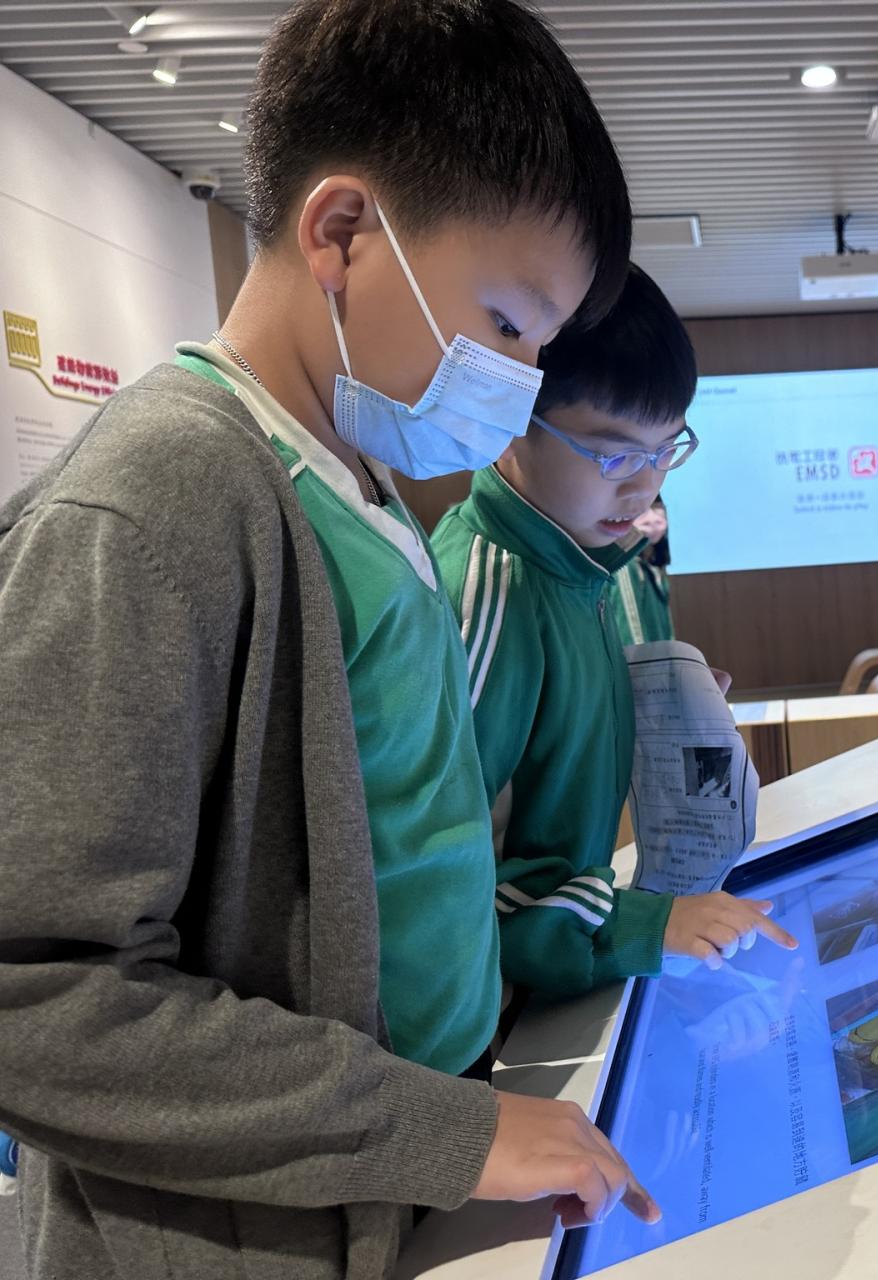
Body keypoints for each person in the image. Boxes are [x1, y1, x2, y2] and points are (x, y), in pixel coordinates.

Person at [0, 3, 658, 1277]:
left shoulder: (354, 479)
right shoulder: (154, 501)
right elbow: (32, 987)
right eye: (508, 321)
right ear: (344, 232)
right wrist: (432, 1130)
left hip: (393, 1181)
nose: (521, 375)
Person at [433, 264, 796, 997]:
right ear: (511, 422)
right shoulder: (487, 590)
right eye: (615, 454)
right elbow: (441, 881)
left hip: (548, 975)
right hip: (492, 1007)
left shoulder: (582, 563)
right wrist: (637, 926)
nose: (644, 486)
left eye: (667, 451)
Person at [610, 495, 676, 646]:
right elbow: (631, 633)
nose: (652, 519)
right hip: (643, 658)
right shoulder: (625, 567)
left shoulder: (654, 569)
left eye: (656, 506)